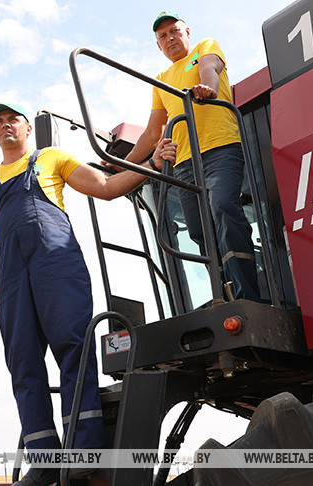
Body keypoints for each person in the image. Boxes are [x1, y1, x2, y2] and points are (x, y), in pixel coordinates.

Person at [0, 102, 174, 486]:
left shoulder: (52, 159)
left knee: (73, 348)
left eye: (13, 119)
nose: (5, 126)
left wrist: (152, 167)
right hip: (12, 276)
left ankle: (83, 450)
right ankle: (45, 459)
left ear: (28, 128)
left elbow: (105, 187)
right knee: (22, 360)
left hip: (56, 262)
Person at [121, 11, 261, 302]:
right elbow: (151, 133)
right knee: (198, 231)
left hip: (220, 148)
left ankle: (247, 295)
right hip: (184, 163)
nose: (170, 38)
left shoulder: (205, 48)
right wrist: (122, 164)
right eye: (162, 36)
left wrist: (207, 87)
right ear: (158, 45)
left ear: (187, 32)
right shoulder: (161, 80)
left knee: (223, 205)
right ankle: (224, 294)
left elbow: (211, 67)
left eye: (174, 31)